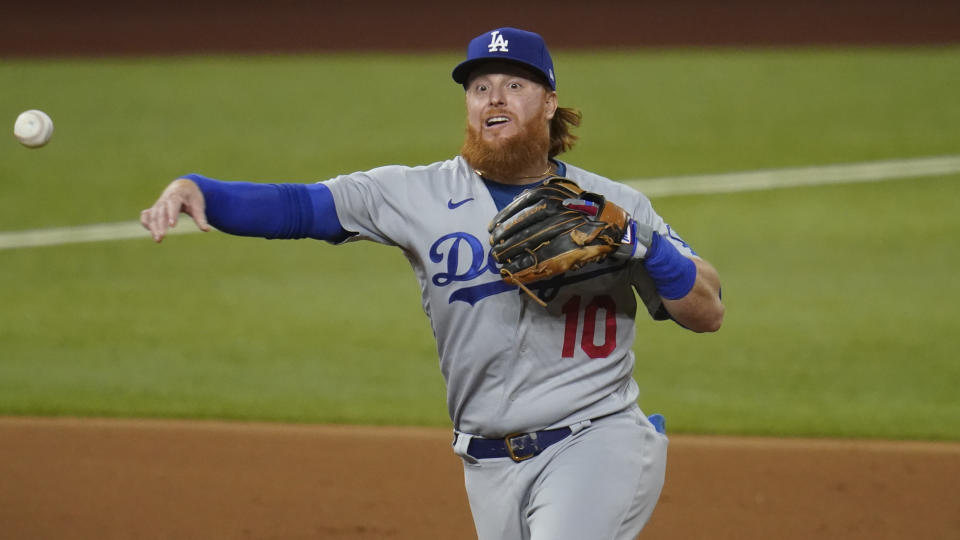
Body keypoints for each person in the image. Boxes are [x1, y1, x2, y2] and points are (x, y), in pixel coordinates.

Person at [141, 27, 724, 540]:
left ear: (549, 102)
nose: (494, 96)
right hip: (487, 463)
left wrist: (644, 246)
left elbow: (707, 308)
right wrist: (201, 191)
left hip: (597, 442)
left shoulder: (614, 205)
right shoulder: (412, 194)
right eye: (479, 86)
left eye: (514, 84)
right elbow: (301, 207)